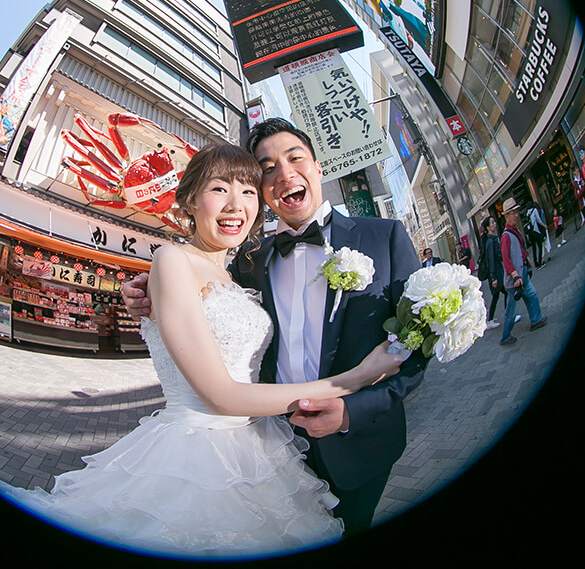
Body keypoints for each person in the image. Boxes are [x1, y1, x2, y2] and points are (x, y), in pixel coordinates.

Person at [0, 144, 405, 557]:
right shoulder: (172, 260)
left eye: (246, 191)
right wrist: (354, 379)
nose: (235, 204)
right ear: (188, 201)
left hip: (259, 450)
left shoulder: (242, 270)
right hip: (195, 456)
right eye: (219, 189)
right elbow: (220, 394)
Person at [122, 119, 427, 535]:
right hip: (273, 447)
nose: (284, 174)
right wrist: (147, 290)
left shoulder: (385, 237)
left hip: (358, 445)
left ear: (318, 168)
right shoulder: (249, 261)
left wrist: (351, 409)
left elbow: (415, 345)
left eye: (295, 158)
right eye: (267, 169)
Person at [498, 199, 547, 346]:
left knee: (531, 295)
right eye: (512, 213)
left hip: (522, 274)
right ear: (506, 216)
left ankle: (536, 320)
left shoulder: (514, 230)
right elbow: (505, 259)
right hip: (516, 279)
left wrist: (527, 260)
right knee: (511, 312)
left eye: (516, 212)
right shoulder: (506, 236)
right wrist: (514, 275)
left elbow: (520, 248)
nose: (516, 215)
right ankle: (505, 337)